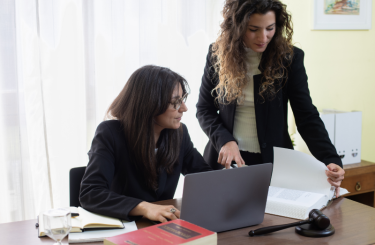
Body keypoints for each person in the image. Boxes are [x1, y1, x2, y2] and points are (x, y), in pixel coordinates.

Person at [196, 0, 345, 196]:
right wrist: (225, 140)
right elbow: (204, 109)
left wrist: (331, 159)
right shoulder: (217, 55)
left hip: (274, 165)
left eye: (270, 28)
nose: (263, 37)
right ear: (238, 26)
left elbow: (306, 116)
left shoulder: (289, 59)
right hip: (227, 161)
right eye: (253, 29)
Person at [80, 65, 211, 223]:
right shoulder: (110, 133)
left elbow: (205, 177)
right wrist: (144, 207)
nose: (184, 108)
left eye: (182, 100)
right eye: (176, 102)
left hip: (163, 228)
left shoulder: (179, 133)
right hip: (126, 228)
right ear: (150, 104)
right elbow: (91, 193)